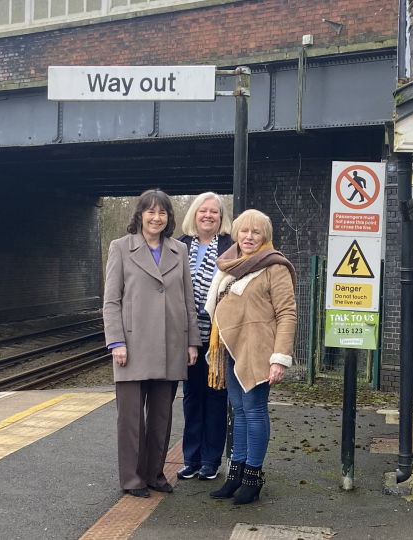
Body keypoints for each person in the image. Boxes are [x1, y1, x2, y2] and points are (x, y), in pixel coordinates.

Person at [103, 189, 201, 499]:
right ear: (140, 215)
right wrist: (116, 341)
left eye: (163, 213)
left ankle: (155, 474)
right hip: (131, 346)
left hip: (171, 345)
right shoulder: (120, 248)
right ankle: (132, 478)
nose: (157, 218)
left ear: (169, 218)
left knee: (161, 415)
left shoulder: (178, 251)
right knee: (131, 418)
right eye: (151, 212)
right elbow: (111, 301)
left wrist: (192, 342)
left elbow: (187, 300)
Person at [203, 209, 297, 505]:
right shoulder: (231, 265)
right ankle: (236, 474)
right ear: (236, 233)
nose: (249, 236)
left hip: (259, 350)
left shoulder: (274, 266)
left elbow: (287, 313)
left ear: (265, 236)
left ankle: (253, 478)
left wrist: (279, 358)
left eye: (256, 232)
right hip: (232, 348)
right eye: (244, 231)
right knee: (239, 411)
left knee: (254, 410)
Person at [175, 193, 234, 481]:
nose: (208, 215)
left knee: (216, 395)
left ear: (221, 218)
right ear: (194, 215)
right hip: (186, 334)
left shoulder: (231, 247)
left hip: (218, 337)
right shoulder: (178, 246)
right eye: (203, 210)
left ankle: (211, 460)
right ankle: (191, 458)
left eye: (214, 211)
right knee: (191, 396)